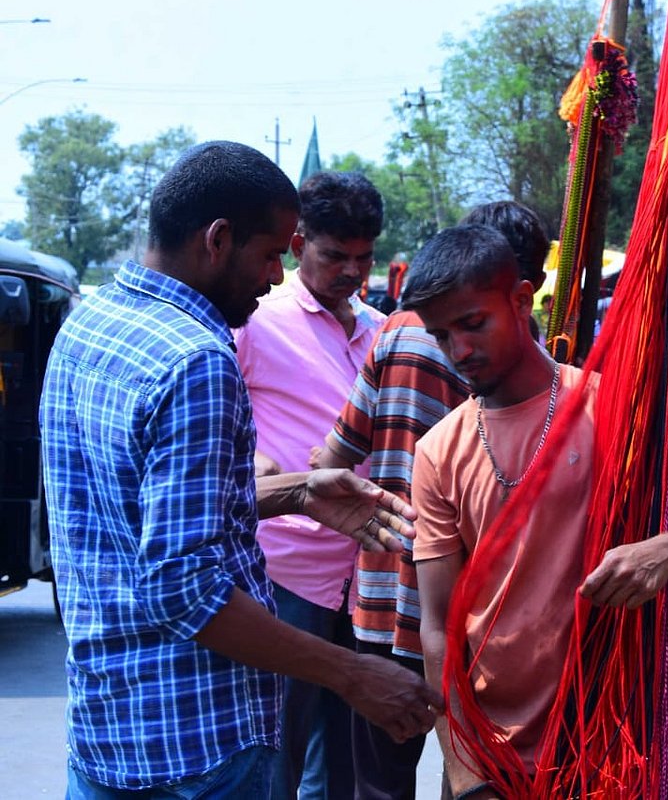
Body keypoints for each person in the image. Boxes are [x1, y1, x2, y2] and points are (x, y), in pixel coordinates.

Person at [40, 141, 441, 797]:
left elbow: (137, 514)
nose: (277, 276)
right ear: (218, 240)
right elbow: (185, 588)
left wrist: (299, 490)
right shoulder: (199, 359)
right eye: (271, 254)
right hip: (199, 738)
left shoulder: (89, 325)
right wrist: (352, 673)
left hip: (106, 727)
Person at [405, 226, 668, 796]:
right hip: (491, 753)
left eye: (473, 324)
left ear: (522, 299)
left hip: (610, 742)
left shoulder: (617, 410)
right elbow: (437, 628)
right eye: (441, 335)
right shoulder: (436, 452)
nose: (459, 351)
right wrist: (461, 768)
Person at [315, 200, 551, 800]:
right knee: (473, 774)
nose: (458, 345)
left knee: (380, 782)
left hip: (389, 599)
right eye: (447, 330)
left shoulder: (399, 328)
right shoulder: (531, 364)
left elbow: (333, 456)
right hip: (477, 615)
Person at [234, 171, 385, 799]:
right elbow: (221, 429)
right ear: (299, 246)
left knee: (346, 762)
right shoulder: (255, 322)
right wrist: (268, 466)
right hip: (285, 574)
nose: (351, 271)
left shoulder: (383, 330)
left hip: (369, 577)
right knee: (278, 753)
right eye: (334, 256)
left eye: (363, 257)